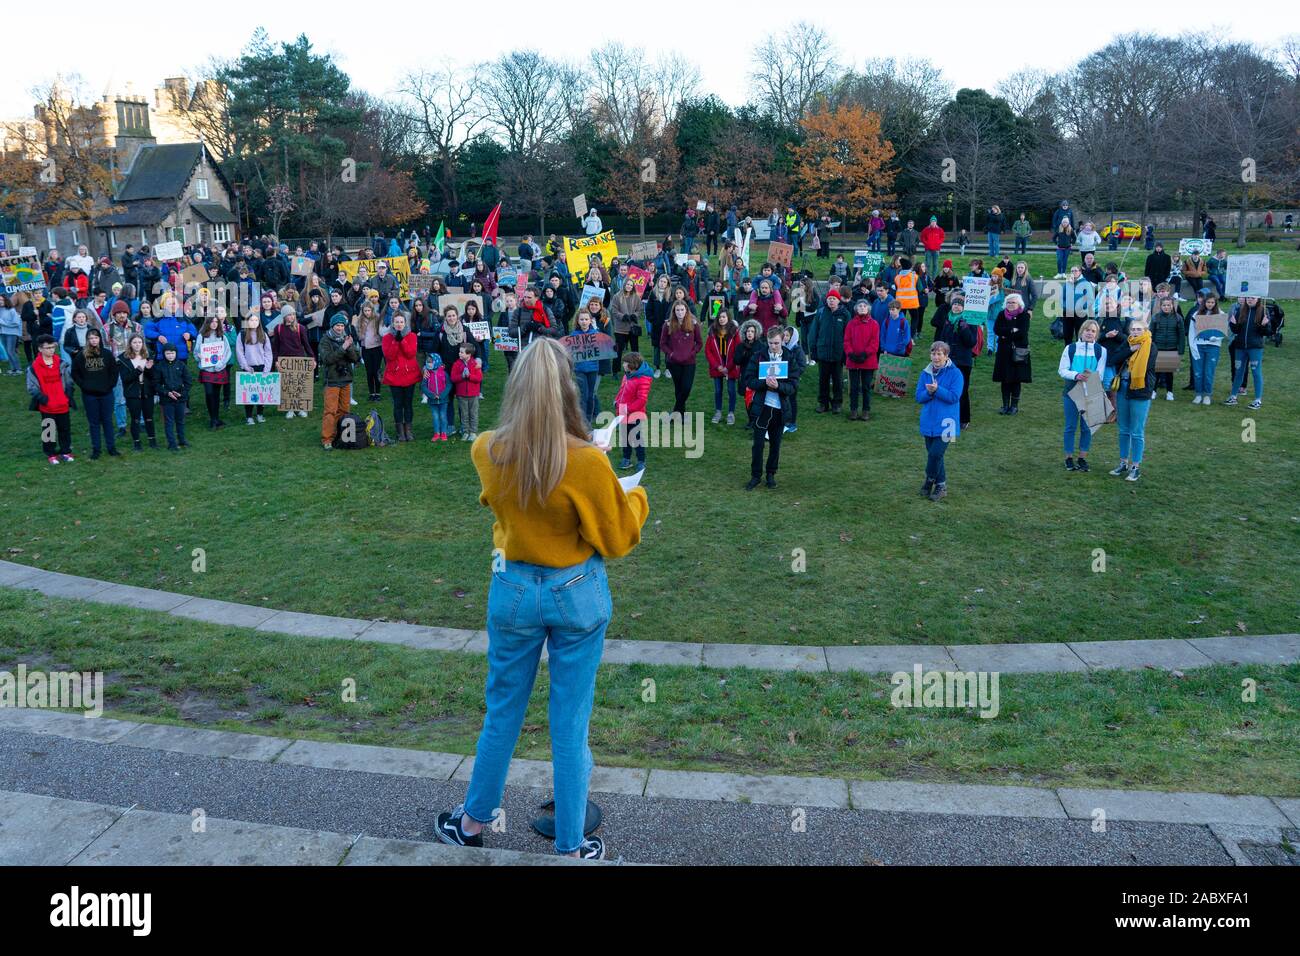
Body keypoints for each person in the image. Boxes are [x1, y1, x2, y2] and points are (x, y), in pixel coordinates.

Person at [434, 337, 647, 861]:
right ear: (566, 390)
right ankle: (571, 844)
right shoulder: (587, 465)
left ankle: (472, 821)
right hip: (574, 594)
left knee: (501, 711)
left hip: (511, 589)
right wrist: (634, 496)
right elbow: (617, 539)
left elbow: (495, 498)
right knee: (570, 722)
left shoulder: (486, 448)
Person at [743, 325, 802, 490]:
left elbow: (793, 386)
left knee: (775, 444)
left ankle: (771, 474)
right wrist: (764, 384)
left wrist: (778, 386)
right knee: (758, 444)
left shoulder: (790, 358)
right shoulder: (759, 356)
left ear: (783, 340)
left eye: (776, 343)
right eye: (770, 343)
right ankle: (755, 476)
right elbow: (748, 379)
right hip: (762, 407)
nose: (773, 346)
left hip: (780, 409)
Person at [1107, 315, 1157, 482]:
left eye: (1139, 329)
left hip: (1140, 390)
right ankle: (1123, 463)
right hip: (1122, 389)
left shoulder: (1151, 346)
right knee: (1123, 429)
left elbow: (1147, 367)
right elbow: (1113, 359)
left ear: (1145, 331)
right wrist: (1130, 350)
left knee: (1137, 431)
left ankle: (1136, 466)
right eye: (1133, 329)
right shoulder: (1128, 343)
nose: (1135, 332)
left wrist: (1136, 351)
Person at [915, 340, 963, 501]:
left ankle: (929, 482)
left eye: (939, 354)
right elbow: (918, 397)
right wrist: (929, 393)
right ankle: (941, 486)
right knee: (935, 456)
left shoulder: (955, 374)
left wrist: (937, 390)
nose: (936, 357)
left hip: (947, 423)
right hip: (929, 421)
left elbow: (954, 397)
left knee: (935, 455)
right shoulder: (925, 373)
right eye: (933, 353)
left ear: (946, 356)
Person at [1058, 319, 1107, 473]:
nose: (1089, 333)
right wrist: (1076, 375)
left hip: (1091, 391)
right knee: (1070, 427)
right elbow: (1062, 370)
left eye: (1093, 331)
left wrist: (1090, 377)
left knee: (1087, 428)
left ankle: (1082, 458)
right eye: (1087, 330)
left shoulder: (1101, 351)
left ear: (1096, 334)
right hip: (1072, 390)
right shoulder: (1070, 348)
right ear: (1081, 331)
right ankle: (1068, 458)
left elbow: (1101, 373)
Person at [27, 334, 75, 464]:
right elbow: (31, 387)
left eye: (53, 347)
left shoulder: (61, 363)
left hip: (62, 403)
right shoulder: (34, 367)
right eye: (48, 348)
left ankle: (65, 451)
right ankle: (51, 454)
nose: (51, 350)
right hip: (47, 405)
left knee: (65, 429)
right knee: (49, 430)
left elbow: (68, 381)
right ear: (40, 349)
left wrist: (67, 396)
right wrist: (44, 399)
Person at [935, 294, 977, 429]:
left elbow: (971, 342)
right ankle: (947, 416)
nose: (956, 306)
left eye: (959, 305)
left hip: (963, 361)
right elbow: (942, 340)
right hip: (948, 361)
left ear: (963, 308)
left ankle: (964, 418)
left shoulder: (969, 321)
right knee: (946, 389)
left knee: (962, 390)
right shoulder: (948, 320)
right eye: (954, 304)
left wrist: (964, 328)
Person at [319, 315, 360, 450]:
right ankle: (327, 439)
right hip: (332, 380)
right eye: (337, 325)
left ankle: (340, 435)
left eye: (342, 326)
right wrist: (343, 347)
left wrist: (349, 347)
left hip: (346, 379)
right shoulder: (325, 340)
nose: (340, 328)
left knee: (344, 410)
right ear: (332, 326)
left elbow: (355, 358)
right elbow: (328, 359)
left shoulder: (346, 339)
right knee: (330, 411)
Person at [1225, 297, 1271, 409]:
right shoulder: (1241, 310)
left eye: (1253, 298)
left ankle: (1257, 400)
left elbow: (1267, 332)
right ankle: (1233, 396)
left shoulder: (1263, 311)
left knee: (1256, 372)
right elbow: (1236, 330)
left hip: (1255, 347)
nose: (1250, 300)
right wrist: (1233, 324)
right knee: (1238, 372)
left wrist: (1264, 325)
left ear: (1257, 299)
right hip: (1240, 347)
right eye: (1248, 298)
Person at [992, 292, 1032, 415]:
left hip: (1019, 352)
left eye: (1013, 302)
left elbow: (1022, 333)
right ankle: (1005, 405)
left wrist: (1005, 335)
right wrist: (1011, 330)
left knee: (1016, 379)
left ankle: (1014, 406)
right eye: (1008, 302)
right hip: (1004, 352)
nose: (1010, 304)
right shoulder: (1001, 314)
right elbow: (996, 329)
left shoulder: (1024, 316)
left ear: (1019, 304)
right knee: (1005, 379)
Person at [382, 313, 420, 441]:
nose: (399, 324)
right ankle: (400, 432)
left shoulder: (412, 336)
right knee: (398, 404)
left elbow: (411, 353)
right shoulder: (387, 337)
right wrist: (395, 341)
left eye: (401, 322)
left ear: (405, 323)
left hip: (409, 374)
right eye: (396, 322)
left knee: (408, 403)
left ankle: (408, 430)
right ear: (393, 323)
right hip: (394, 376)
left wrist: (402, 340)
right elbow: (389, 356)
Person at [660, 301, 702, 415]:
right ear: (674, 311)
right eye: (677, 310)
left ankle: (674, 412)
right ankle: (681, 415)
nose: (680, 312)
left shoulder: (694, 324)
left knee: (686, 388)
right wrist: (671, 354)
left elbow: (699, 343)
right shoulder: (668, 325)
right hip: (674, 362)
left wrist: (692, 353)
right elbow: (662, 343)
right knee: (678, 389)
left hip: (689, 362)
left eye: (682, 310)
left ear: (686, 310)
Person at [117, 333, 157, 450]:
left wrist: (149, 370)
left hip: (147, 391)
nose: (137, 345)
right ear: (130, 344)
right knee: (135, 419)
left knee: (149, 417)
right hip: (132, 392)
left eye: (139, 342)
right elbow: (125, 379)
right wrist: (139, 370)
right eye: (134, 342)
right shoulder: (123, 358)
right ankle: (137, 443)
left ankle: (152, 441)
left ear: (142, 343)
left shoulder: (148, 356)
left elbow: (153, 376)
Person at [843, 298, 880, 422]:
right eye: (860, 306)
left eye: (865, 306)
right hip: (853, 360)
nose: (862, 308)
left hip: (868, 360)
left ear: (868, 308)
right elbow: (846, 341)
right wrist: (851, 354)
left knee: (865, 387)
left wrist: (865, 354)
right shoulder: (851, 323)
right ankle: (853, 409)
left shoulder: (874, 324)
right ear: (856, 309)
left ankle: (865, 410)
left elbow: (875, 343)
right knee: (853, 387)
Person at [614, 351, 652, 470]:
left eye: (625, 363)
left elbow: (642, 400)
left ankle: (641, 461)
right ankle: (626, 459)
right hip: (623, 413)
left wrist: (628, 409)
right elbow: (622, 391)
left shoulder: (643, 379)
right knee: (625, 436)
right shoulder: (626, 376)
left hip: (635, 414)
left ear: (632, 364)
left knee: (636, 437)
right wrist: (616, 401)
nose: (623, 365)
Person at [1188, 292, 1227, 405]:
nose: (1210, 304)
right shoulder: (1196, 314)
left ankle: (1207, 395)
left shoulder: (1220, 314)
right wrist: (1193, 346)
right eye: (1208, 302)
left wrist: (1217, 338)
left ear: (1215, 303)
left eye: (1212, 302)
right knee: (1198, 372)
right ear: (1204, 302)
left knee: (1208, 372)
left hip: (1213, 347)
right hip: (1199, 346)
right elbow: (1191, 332)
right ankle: (1198, 394)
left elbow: (1222, 332)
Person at [194, 315, 231, 430]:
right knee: (209, 394)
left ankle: (215, 419)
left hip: (219, 369)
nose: (214, 324)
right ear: (208, 323)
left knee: (216, 395)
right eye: (212, 322)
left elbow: (227, 352)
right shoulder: (202, 337)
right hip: (207, 370)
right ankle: (213, 419)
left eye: (216, 322)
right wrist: (199, 356)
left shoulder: (222, 337)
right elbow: (196, 353)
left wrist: (221, 364)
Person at [151, 343, 191, 451]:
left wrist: (182, 393)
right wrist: (166, 392)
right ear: (164, 354)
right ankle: (172, 443)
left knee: (180, 420)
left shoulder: (181, 365)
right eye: (168, 353)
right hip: (167, 399)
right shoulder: (159, 366)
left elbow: (188, 381)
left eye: (172, 353)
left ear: (176, 353)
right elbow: (156, 384)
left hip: (180, 398)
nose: (170, 355)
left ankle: (182, 440)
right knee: (169, 421)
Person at [236, 314, 275, 425]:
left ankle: (260, 414)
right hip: (249, 368)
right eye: (251, 320)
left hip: (262, 367)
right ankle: (249, 416)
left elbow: (268, 353)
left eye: (256, 320)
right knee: (249, 393)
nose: (254, 322)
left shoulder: (263, 334)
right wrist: (245, 366)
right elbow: (240, 352)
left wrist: (267, 369)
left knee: (261, 393)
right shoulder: (242, 334)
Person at [705, 308, 739, 425]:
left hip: (730, 366)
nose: (721, 319)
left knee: (731, 390)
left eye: (724, 317)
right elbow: (708, 350)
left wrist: (728, 367)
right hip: (717, 367)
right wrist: (717, 366)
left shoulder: (734, 332)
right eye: (720, 317)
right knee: (718, 390)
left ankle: (731, 413)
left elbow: (737, 350)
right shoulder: (712, 331)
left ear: (728, 318)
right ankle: (718, 411)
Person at [1149, 295, 1185, 401]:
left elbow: (1181, 335)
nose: (1166, 307)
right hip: (1158, 347)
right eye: (1164, 305)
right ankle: (1153, 391)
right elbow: (1151, 333)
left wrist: (1181, 350)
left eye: (1168, 305)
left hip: (1172, 348)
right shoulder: (1155, 317)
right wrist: (1151, 348)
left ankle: (1170, 392)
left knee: (1169, 372)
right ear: (1161, 306)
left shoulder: (1178, 318)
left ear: (1172, 306)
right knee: (1157, 371)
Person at [572, 307, 603, 424]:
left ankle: (588, 419)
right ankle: (582, 420)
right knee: (583, 395)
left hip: (593, 369)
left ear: (590, 320)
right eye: (581, 319)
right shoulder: (574, 335)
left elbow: (601, 349)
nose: (584, 322)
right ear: (578, 321)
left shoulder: (595, 334)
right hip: (579, 369)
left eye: (586, 319)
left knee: (591, 395)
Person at [451, 342, 483, 440]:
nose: (459, 354)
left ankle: (473, 432)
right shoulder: (457, 364)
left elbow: (479, 378)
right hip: (461, 394)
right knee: (464, 414)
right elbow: (453, 378)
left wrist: (469, 376)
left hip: (473, 394)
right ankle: (465, 431)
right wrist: (461, 376)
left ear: (469, 354)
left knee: (473, 413)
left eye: (462, 352)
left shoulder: (475, 364)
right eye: (459, 352)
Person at [610, 278, 642, 365]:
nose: (629, 286)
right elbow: (614, 310)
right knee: (618, 350)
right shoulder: (617, 296)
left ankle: (636, 367)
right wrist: (623, 316)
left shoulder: (636, 297)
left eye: (631, 285)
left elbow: (640, 310)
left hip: (632, 327)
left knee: (635, 349)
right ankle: (615, 370)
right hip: (620, 327)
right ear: (624, 285)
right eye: (628, 284)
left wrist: (634, 315)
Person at [421, 351, 451, 443]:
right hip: (432, 401)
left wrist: (442, 395)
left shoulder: (444, 373)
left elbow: (449, 385)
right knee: (435, 417)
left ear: (437, 362)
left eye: (430, 362)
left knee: (443, 416)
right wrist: (431, 395)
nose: (428, 364)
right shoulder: (427, 374)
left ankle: (444, 433)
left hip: (443, 400)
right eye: (427, 362)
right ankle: (436, 433)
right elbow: (423, 386)